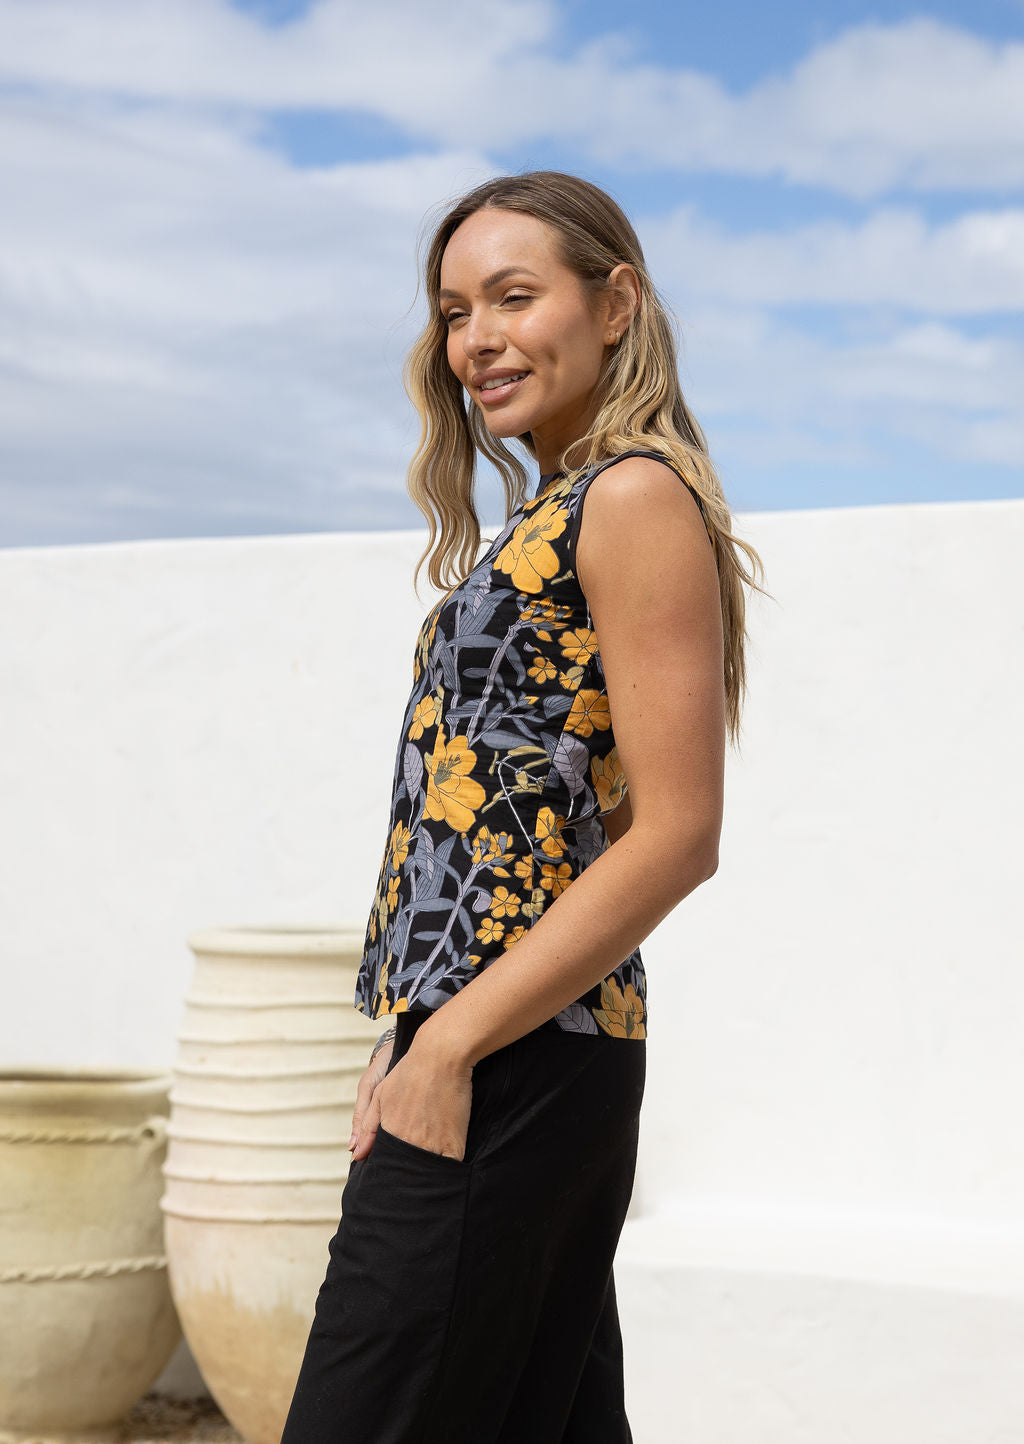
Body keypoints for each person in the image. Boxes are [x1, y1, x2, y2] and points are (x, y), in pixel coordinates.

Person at [280, 169, 766, 1444]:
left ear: (617, 304)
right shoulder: (553, 510)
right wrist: (414, 1031)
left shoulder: (630, 498)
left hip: (519, 1057)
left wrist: (450, 1043)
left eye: (512, 296)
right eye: (453, 311)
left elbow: (677, 833)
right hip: (505, 1044)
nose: (475, 340)